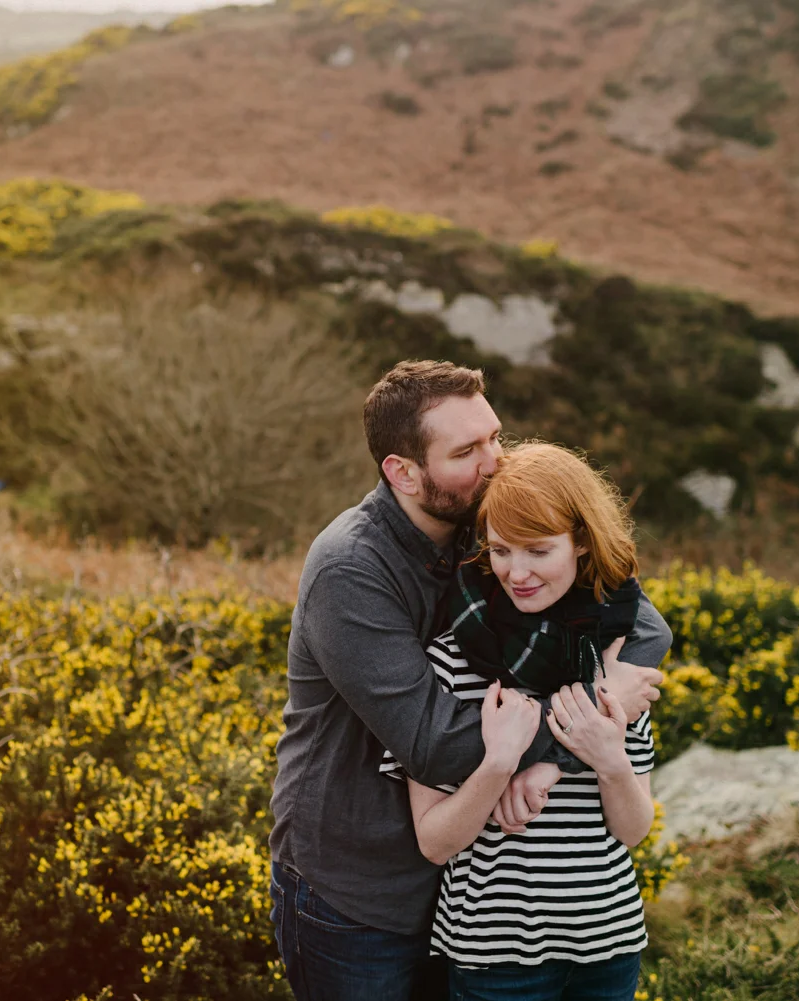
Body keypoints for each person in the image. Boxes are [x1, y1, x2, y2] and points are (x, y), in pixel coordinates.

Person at [268, 361, 673, 1001]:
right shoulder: (351, 569)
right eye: (466, 451)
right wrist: (590, 724)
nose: (495, 463)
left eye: (495, 438)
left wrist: (587, 725)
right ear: (403, 472)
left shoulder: (489, 530)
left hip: (473, 896)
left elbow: (639, 622)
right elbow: (438, 743)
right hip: (360, 891)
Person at [384, 442, 661, 1001]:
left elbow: (632, 832)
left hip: (608, 947)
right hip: (494, 958)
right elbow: (435, 843)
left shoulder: (616, 665)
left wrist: (608, 760)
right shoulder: (449, 663)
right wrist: (500, 765)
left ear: (581, 543)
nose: (517, 572)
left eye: (538, 551)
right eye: (503, 551)